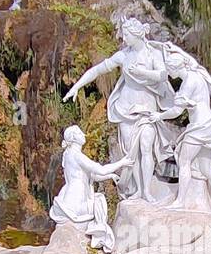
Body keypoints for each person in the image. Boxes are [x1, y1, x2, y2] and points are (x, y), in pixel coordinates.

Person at [62, 18, 178, 202]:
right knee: (132, 153)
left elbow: (163, 74)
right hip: (125, 109)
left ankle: (147, 191)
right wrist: (76, 86)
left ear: (137, 34)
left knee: (146, 147)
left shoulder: (153, 54)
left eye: (126, 35)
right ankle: (139, 190)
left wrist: (143, 73)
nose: (123, 38)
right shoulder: (123, 55)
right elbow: (97, 71)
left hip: (147, 109)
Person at [140, 49, 211, 211]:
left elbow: (177, 111)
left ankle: (181, 201)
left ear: (176, 68)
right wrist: (174, 49)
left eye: (169, 69)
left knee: (184, 161)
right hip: (209, 124)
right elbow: (190, 60)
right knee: (206, 168)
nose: (168, 73)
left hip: (199, 127)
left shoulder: (188, 84)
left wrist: (158, 116)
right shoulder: (197, 73)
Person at [49, 125, 134, 253]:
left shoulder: (68, 154)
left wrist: (110, 176)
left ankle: (99, 234)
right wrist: (121, 162)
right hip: (77, 203)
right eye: (79, 133)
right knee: (99, 200)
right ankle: (100, 236)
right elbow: (99, 169)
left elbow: (91, 175)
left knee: (97, 200)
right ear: (73, 138)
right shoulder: (76, 155)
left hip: (69, 198)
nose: (83, 134)